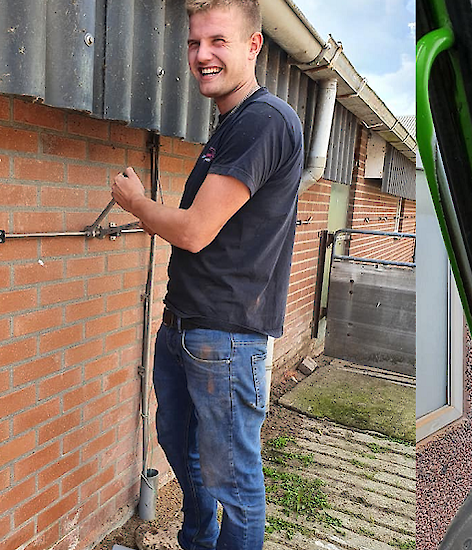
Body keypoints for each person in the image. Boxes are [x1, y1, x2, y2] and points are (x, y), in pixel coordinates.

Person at [110, 0, 303, 548]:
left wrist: (137, 203)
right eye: (195, 43)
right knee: (184, 452)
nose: (202, 55)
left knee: (234, 483)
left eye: (218, 41)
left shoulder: (264, 120)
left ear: (252, 46)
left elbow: (195, 230)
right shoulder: (230, 126)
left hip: (226, 336)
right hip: (187, 328)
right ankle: (197, 540)